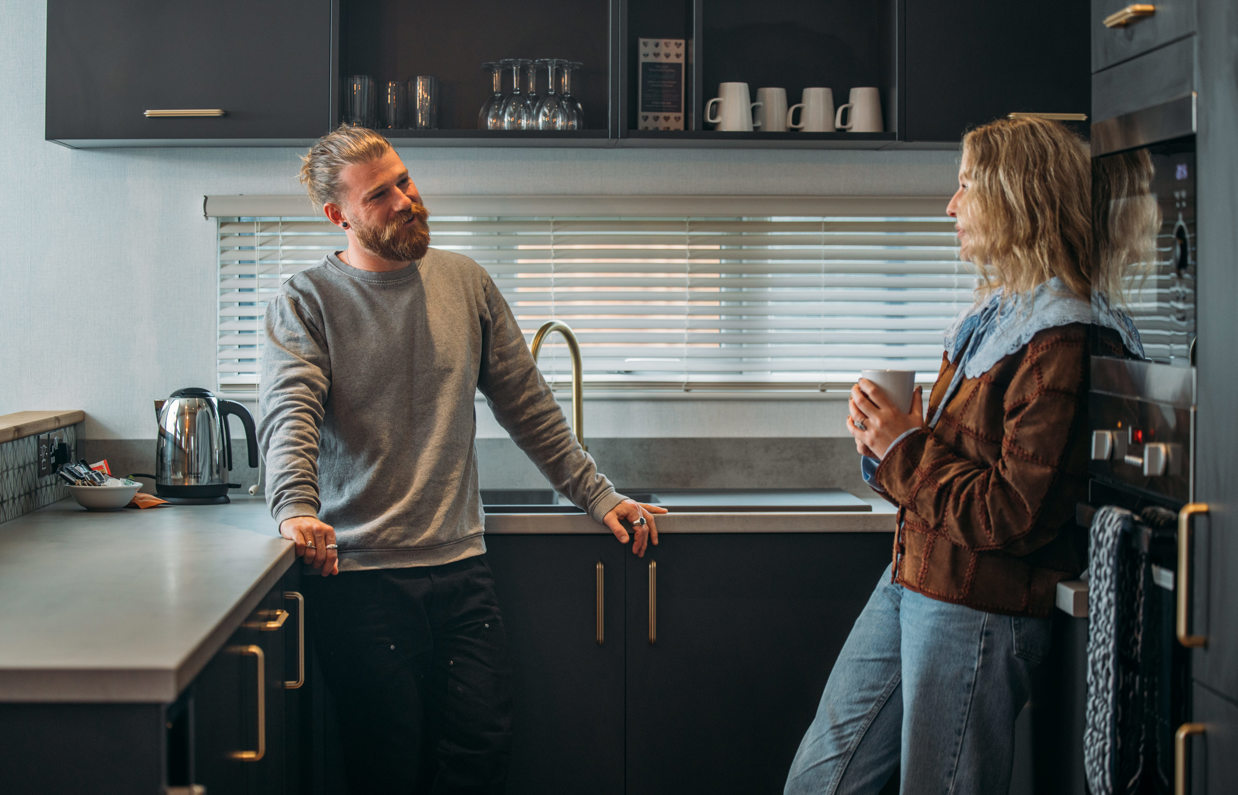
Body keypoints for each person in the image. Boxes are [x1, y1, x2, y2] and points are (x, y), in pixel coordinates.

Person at [259, 124, 665, 794]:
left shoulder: (464, 282)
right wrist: (296, 509)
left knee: (480, 755)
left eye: (404, 180)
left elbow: (528, 407)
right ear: (339, 215)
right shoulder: (305, 300)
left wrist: (600, 495)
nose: (406, 199)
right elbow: (290, 417)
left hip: (460, 571)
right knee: (388, 767)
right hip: (361, 581)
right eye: (380, 194)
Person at [783, 116, 1143, 794]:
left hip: (975, 609)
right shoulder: (996, 320)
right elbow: (949, 474)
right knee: (820, 782)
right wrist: (894, 441)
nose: (950, 206)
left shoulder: (1060, 339)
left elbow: (1013, 513)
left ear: (1017, 198)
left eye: (966, 188)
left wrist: (906, 447)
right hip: (914, 577)